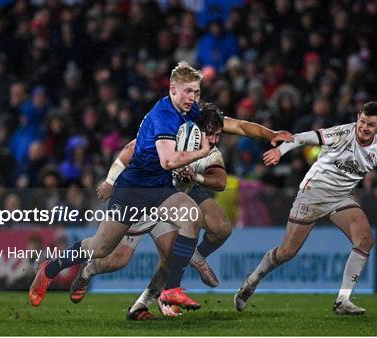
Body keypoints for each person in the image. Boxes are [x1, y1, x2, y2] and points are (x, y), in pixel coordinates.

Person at [29, 62, 291, 314]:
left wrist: (271, 135)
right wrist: (200, 152)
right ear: (172, 89)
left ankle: (170, 290)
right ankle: (50, 269)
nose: (193, 97)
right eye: (188, 91)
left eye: (197, 92)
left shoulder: (191, 111)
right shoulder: (164, 117)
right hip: (134, 188)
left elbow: (239, 126)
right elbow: (167, 161)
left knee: (191, 217)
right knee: (102, 248)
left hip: (160, 190)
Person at [234, 101, 377, 315]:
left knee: (365, 239)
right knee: (287, 252)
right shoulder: (343, 133)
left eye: (370, 125)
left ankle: (343, 300)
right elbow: (302, 138)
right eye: (362, 121)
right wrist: (281, 151)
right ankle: (252, 281)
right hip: (313, 192)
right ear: (358, 117)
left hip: (341, 198)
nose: (363, 127)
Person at [70, 103, 229, 319]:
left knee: (173, 256)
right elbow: (129, 150)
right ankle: (87, 271)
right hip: (140, 198)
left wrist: (195, 177)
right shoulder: (168, 134)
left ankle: (142, 305)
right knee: (117, 259)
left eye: (218, 135)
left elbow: (220, 181)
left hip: (168, 204)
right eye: (211, 134)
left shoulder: (209, 152)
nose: (214, 140)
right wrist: (109, 181)